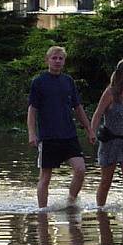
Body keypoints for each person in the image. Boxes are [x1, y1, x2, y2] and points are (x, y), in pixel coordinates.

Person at [27, 46, 95, 209]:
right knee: (46, 177)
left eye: (60, 58)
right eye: (54, 58)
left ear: (64, 61)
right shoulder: (39, 82)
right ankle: (42, 211)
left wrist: (89, 129)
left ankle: (70, 202)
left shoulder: (68, 81)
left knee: (80, 169)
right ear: (47, 60)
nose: (57, 61)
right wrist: (32, 133)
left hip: (69, 135)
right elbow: (32, 109)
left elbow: (77, 107)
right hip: (48, 136)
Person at [91, 59, 123, 208]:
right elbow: (98, 113)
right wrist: (92, 132)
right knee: (106, 181)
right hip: (110, 142)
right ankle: (100, 210)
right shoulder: (110, 92)